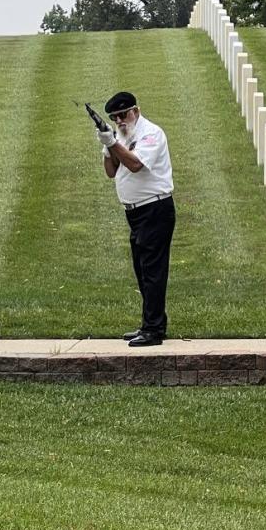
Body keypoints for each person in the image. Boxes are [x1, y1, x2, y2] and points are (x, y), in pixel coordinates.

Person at [96, 91, 175, 347]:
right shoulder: (120, 136)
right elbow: (111, 172)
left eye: (124, 114)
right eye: (115, 117)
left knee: (152, 271)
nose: (120, 120)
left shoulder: (151, 133)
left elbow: (136, 164)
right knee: (142, 271)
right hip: (135, 212)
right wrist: (109, 146)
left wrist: (112, 144)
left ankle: (153, 330)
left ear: (136, 111)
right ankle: (151, 323)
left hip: (155, 208)